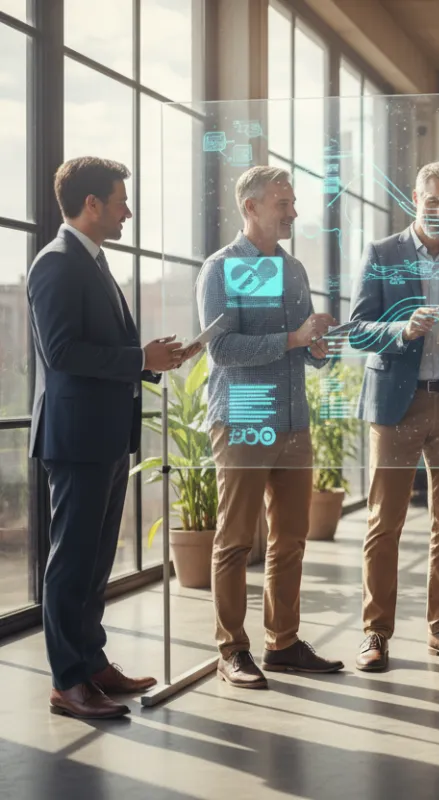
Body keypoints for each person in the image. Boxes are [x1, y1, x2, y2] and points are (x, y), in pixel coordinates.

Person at [27, 157, 192, 719]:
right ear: (91, 204)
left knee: (96, 560)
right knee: (70, 562)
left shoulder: (92, 262)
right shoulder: (56, 263)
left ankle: (92, 663)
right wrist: (136, 358)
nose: (128, 211)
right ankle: (67, 681)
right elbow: (61, 353)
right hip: (76, 438)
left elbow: (97, 349)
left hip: (104, 434)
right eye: (121, 200)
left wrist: (150, 362)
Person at [197, 166, 344, 689]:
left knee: (291, 539)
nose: (293, 212)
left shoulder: (294, 270)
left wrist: (320, 345)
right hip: (243, 418)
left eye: (293, 201)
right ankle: (231, 649)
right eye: (283, 203)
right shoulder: (219, 270)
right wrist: (292, 338)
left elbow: (304, 347)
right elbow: (222, 349)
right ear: (251, 208)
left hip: (292, 421)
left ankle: (282, 643)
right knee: (236, 540)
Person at [348, 162, 439, 671]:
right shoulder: (382, 253)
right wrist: (402, 330)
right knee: (384, 523)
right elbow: (358, 329)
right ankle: (374, 633)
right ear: (416, 197)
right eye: (432, 201)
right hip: (396, 405)